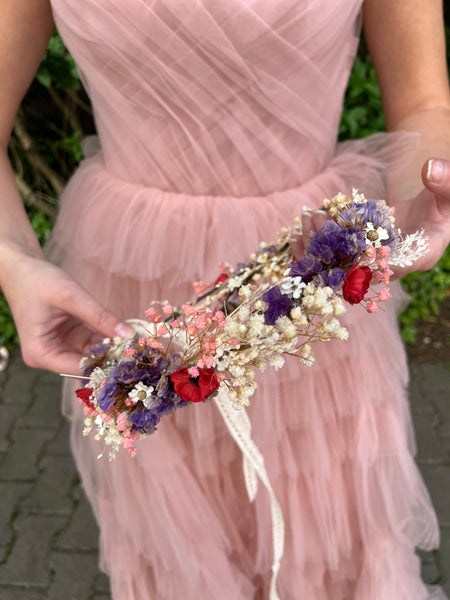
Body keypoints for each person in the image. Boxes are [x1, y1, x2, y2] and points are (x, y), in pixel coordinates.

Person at [1, 1, 450, 598]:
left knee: (333, 543)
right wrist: (12, 261)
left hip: (308, 282)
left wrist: (421, 189)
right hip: (133, 285)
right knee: (177, 553)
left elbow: (424, 100)